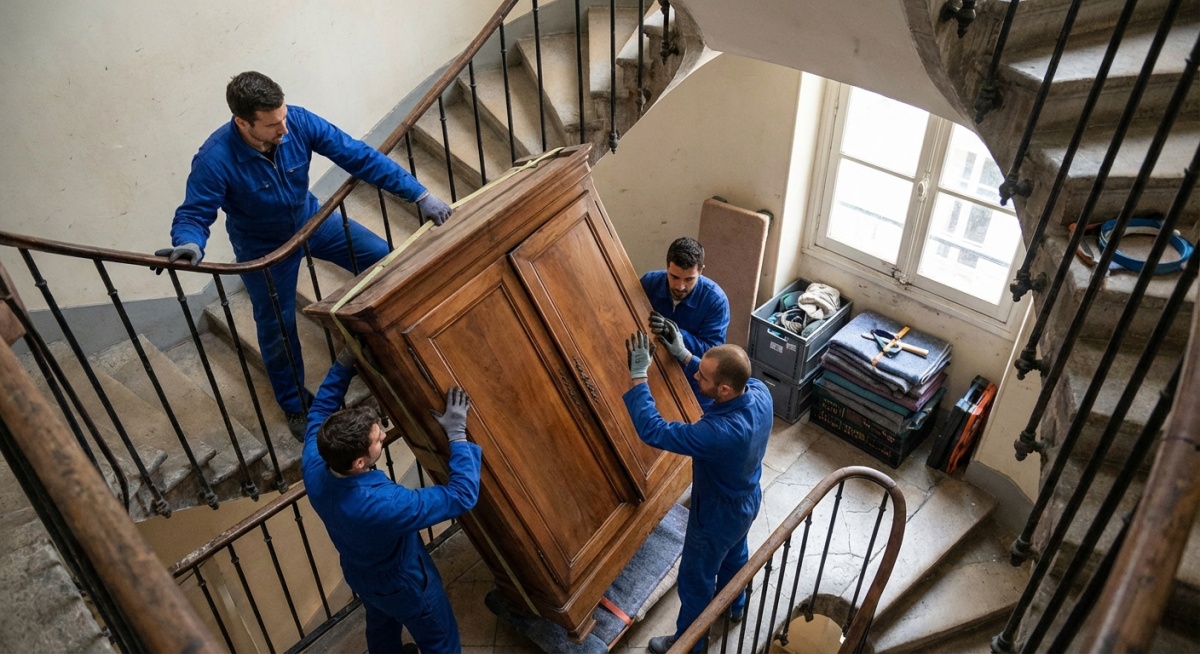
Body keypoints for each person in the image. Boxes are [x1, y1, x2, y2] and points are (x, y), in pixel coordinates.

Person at [158, 71, 454, 440]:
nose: (283, 128)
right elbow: (194, 213)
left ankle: (388, 342)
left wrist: (419, 194)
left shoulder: (297, 120)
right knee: (277, 328)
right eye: (271, 125)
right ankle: (296, 404)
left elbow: (357, 155)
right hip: (264, 249)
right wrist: (189, 243)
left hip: (314, 222)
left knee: (385, 261)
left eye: (283, 117)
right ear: (242, 122)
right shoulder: (215, 159)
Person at [303, 349, 481, 654]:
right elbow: (462, 496)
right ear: (360, 462)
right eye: (377, 439)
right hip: (403, 582)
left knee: (381, 626)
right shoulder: (382, 504)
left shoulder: (315, 461)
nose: (384, 435)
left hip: (360, 572)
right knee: (441, 640)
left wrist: (343, 364)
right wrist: (457, 436)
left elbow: (319, 411)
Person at [623, 332, 772, 654]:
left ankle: (689, 644)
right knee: (735, 553)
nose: (694, 375)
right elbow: (718, 395)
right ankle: (735, 605)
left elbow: (654, 430)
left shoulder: (719, 434)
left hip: (716, 514)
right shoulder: (759, 393)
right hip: (747, 499)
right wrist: (686, 354)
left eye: (701, 376)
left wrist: (638, 377)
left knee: (696, 580)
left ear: (724, 389)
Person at [640, 237, 730, 410]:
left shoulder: (716, 301)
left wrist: (677, 335)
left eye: (689, 279)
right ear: (667, 266)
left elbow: (712, 355)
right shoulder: (649, 283)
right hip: (651, 369)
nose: (680, 286)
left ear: (701, 271)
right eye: (674, 277)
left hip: (693, 383)